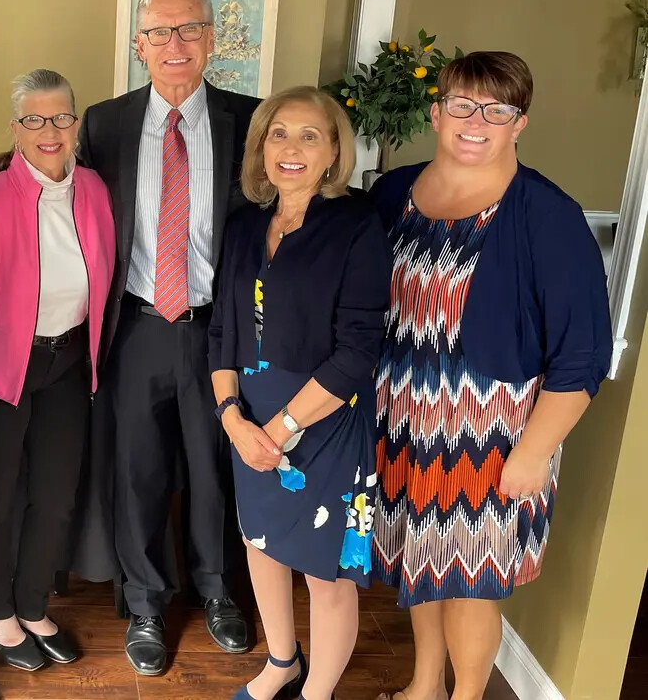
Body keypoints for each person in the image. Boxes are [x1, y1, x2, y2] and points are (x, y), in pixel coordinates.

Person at [0, 0, 257, 676]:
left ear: (212, 39)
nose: (175, 43)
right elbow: (58, 182)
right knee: (139, 469)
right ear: (138, 44)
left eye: (189, 29)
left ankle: (218, 590)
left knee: (217, 465)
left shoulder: (250, 119)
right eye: (159, 31)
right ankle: (148, 601)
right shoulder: (105, 121)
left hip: (220, 328)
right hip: (134, 324)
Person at [370, 52, 612, 700]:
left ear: (519, 122)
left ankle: (465, 696)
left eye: (497, 108)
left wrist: (533, 453)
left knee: (469, 578)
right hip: (399, 421)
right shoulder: (394, 194)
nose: (477, 121)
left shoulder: (547, 216)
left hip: (492, 436)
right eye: (462, 104)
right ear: (436, 111)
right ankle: (424, 684)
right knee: (417, 562)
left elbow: (583, 353)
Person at [209, 87, 391, 700]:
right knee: (261, 544)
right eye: (278, 134)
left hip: (325, 421)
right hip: (251, 416)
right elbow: (221, 331)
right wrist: (233, 418)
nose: (291, 148)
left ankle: (318, 693)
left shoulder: (357, 227)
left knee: (327, 571)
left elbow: (359, 350)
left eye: (310, 135)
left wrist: (283, 428)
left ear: (335, 150)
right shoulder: (243, 226)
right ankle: (281, 663)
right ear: (260, 148)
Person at [0, 69, 116, 671]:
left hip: (70, 360)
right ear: (15, 127)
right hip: (3, 365)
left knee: (55, 496)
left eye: (60, 118)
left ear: (76, 123)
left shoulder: (97, 189)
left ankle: (31, 603)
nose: (48, 131)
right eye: (33, 119)